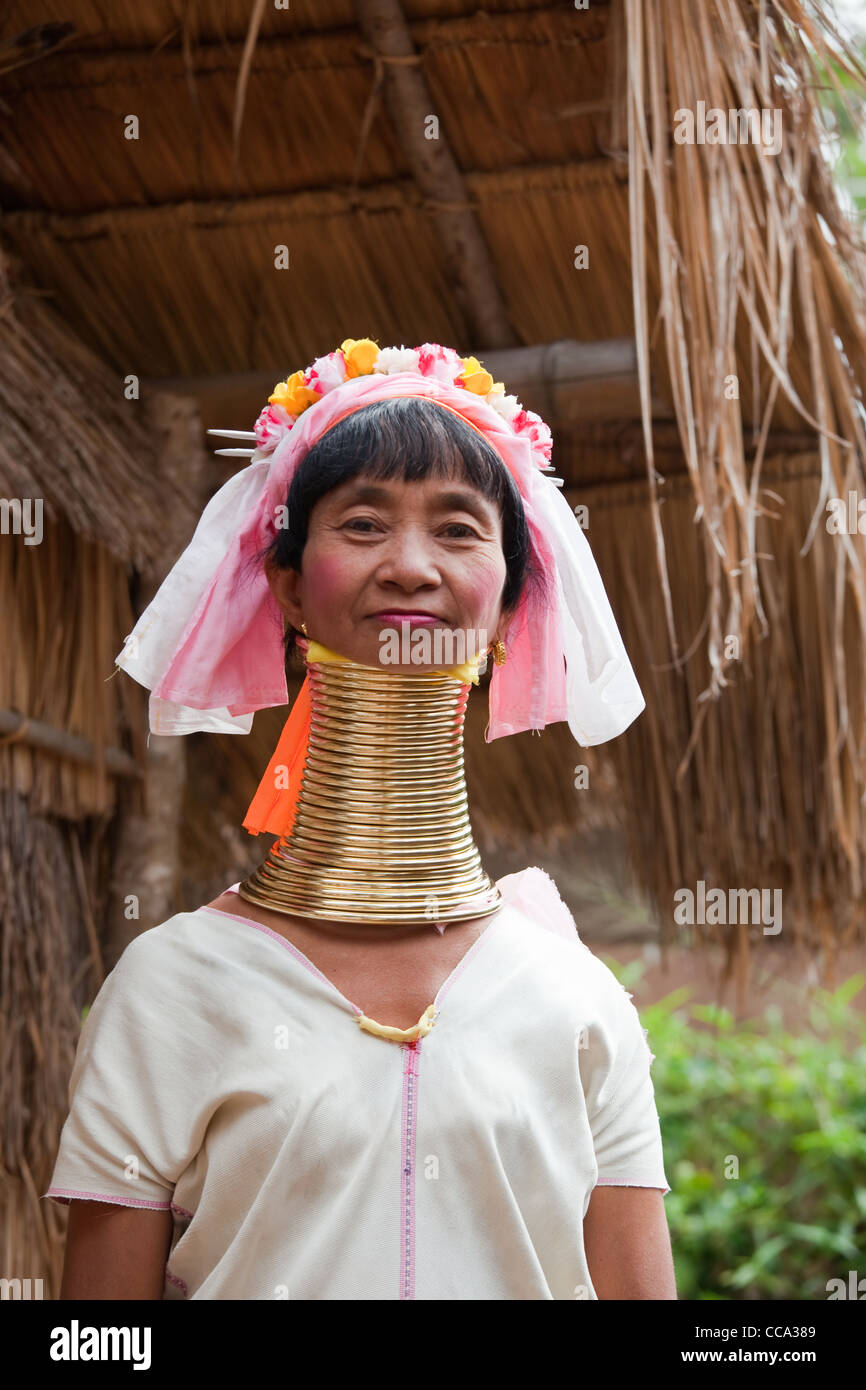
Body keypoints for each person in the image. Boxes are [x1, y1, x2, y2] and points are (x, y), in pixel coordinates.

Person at [44, 337, 676, 1300]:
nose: (412, 567)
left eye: (460, 530)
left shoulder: (576, 1003)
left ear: (511, 603)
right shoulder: (171, 989)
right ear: (290, 586)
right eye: (365, 524)